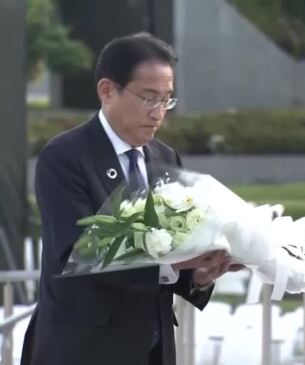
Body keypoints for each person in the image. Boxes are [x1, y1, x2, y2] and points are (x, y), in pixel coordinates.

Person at [21, 32, 234, 365]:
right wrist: (171, 263)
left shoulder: (166, 159)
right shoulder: (64, 157)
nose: (159, 112)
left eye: (167, 99)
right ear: (108, 90)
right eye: (149, 98)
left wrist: (200, 275)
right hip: (83, 348)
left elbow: (176, 249)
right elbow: (76, 256)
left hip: (152, 347)